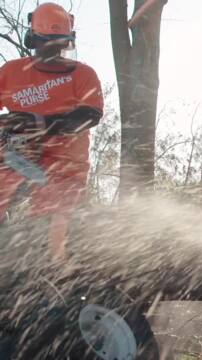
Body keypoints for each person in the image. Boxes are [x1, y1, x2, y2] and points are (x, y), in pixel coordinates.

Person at [0, 2, 104, 260]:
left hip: (64, 169)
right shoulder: (11, 72)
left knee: (55, 239)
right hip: (17, 162)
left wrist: (38, 123)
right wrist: (8, 126)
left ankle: (57, 277)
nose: (49, 50)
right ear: (33, 40)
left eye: (55, 44)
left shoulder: (83, 74)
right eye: (45, 43)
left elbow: (89, 116)